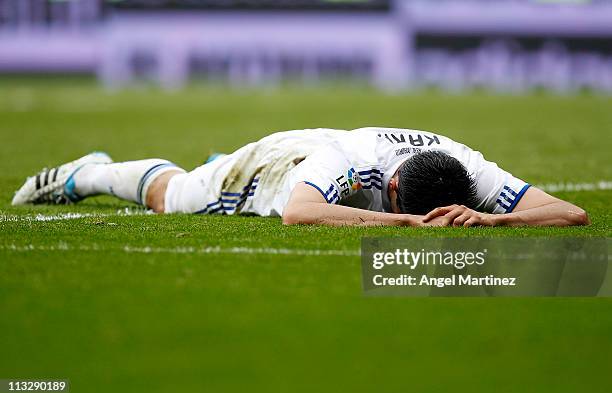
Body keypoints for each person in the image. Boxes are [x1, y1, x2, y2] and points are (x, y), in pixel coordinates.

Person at [12, 127, 589, 227]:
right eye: (396, 208)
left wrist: (495, 216)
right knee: (174, 197)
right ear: (390, 190)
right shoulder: (351, 164)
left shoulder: (466, 165)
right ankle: (86, 174)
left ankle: (216, 163)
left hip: (327, 159)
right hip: (282, 164)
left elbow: (573, 212)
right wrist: (410, 220)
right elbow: (299, 212)